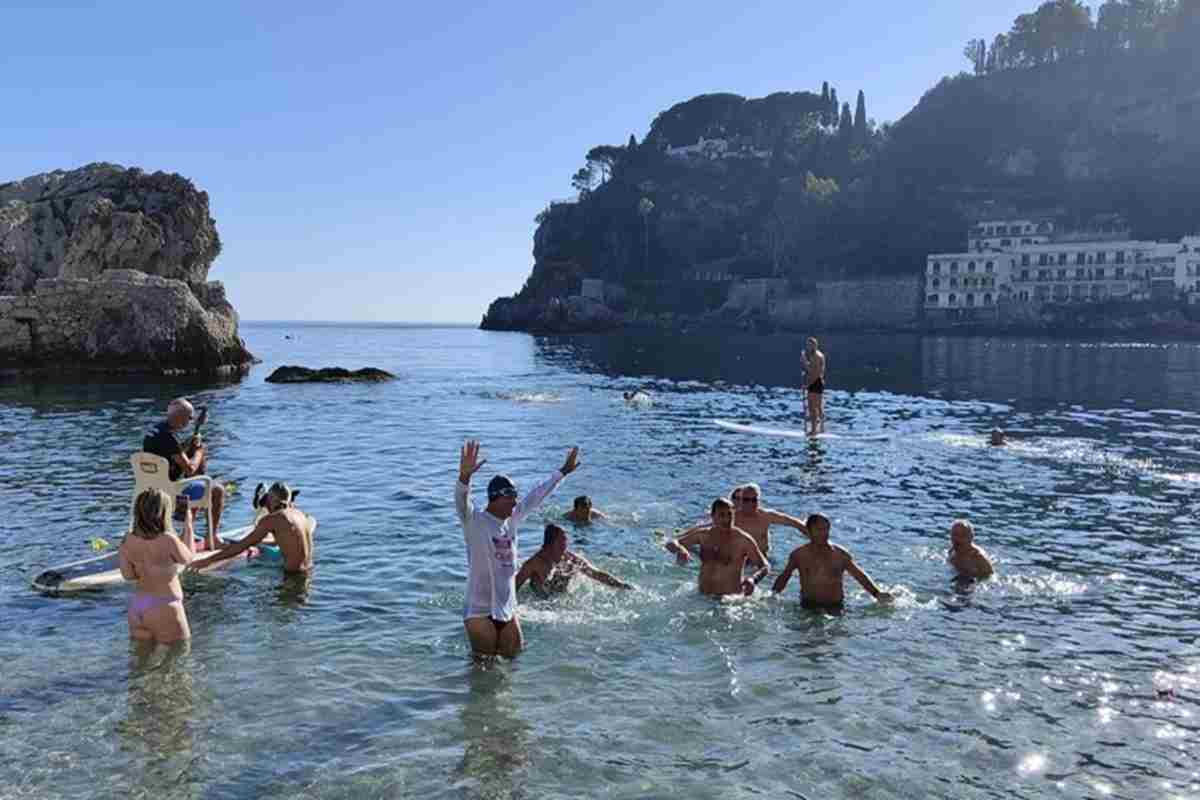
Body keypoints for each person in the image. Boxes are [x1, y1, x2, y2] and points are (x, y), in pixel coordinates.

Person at [456, 439, 580, 659]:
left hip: (507, 609)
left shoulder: (511, 521)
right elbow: (461, 501)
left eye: (515, 498)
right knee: (485, 670)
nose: (515, 503)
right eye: (511, 498)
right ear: (496, 498)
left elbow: (536, 496)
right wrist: (465, 478)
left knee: (514, 663)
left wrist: (563, 472)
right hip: (479, 611)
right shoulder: (474, 521)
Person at [142, 398, 226, 550]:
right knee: (217, 490)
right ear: (180, 417)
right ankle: (211, 538)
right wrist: (200, 451)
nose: (190, 421)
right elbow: (190, 469)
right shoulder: (169, 438)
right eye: (190, 418)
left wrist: (188, 444)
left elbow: (170, 451)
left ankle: (187, 533)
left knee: (197, 484)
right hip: (171, 492)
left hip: (150, 488)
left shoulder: (155, 431)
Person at [772, 513, 893, 611]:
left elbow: (859, 575)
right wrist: (773, 595)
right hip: (808, 606)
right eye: (819, 529)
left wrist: (877, 594)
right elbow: (785, 576)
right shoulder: (798, 555)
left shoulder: (840, 554)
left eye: (826, 529)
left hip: (835, 607)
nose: (824, 533)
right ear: (809, 531)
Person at [188, 482, 314, 575]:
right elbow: (283, 540)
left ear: (270, 500)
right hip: (309, 573)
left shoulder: (272, 520)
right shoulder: (301, 515)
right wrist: (259, 542)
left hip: (291, 577)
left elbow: (240, 548)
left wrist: (207, 561)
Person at [120, 488, 194, 643]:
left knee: (140, 663)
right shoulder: (168, 539)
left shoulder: (127, 540)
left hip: (138, 606)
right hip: (165, 606)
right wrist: (188, 526)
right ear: (163, 513)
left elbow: (128, 576)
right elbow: (188, 558)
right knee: (177, 659)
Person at [664, 498, 769, 596]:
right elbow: (670, 543)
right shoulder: (703, 535)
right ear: (713, 516)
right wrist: (680, 549)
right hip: (701, 596)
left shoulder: (743, 540)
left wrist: (753, 579)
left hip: (730, 601)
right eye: (722, 515)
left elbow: (765, 566)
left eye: (730, 515)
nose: (727, 519)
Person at [516, 524, 634, 595]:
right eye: (562, 541)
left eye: (565, 541)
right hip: (538, 605)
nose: (566, 544)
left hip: (561, 604)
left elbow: (595, 574)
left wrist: (621, 585)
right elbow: (513, 587)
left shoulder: (570, 559)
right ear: (550, 544)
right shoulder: (534, 563)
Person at [799, 337, 827, 435]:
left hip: (815, 382)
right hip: (817, 382)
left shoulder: (816, 356)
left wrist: (804, 361)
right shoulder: (817, 355)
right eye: (807, 345)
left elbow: (813, 371)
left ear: (815, 345)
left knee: (812, 407)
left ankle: (814, 430)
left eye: (810, 345)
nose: (808, 347)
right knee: (818, 407)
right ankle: (822, 428)